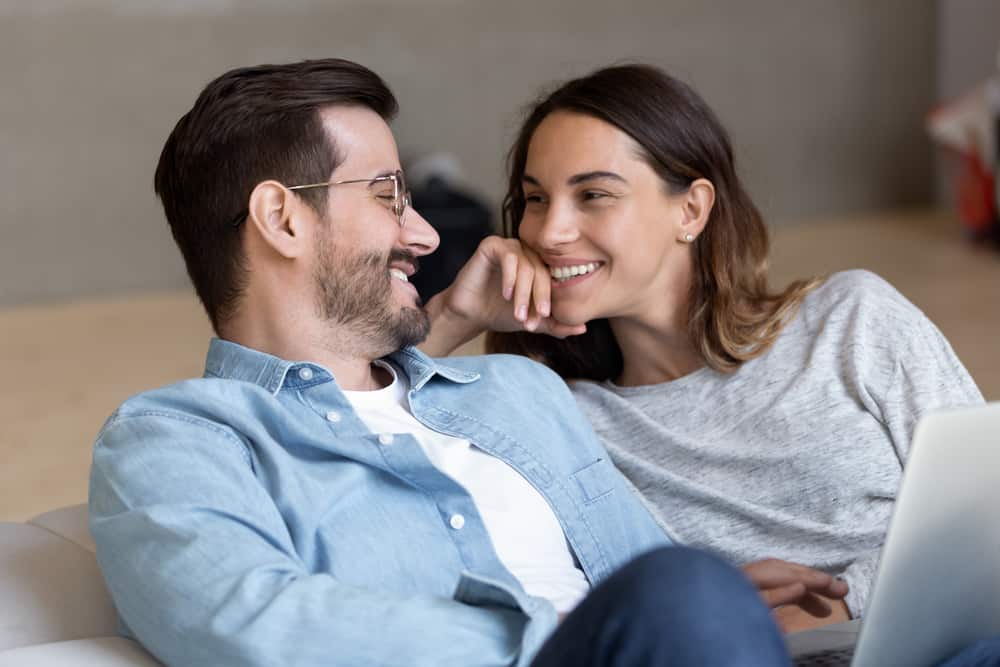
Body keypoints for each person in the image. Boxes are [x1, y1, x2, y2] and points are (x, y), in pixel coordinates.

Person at [87, 58, 844, 667]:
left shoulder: (518, 390)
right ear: (283, 218)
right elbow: (258, 627)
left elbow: (646, 574)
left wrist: (717, 613)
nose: (421, 232)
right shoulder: (173, 440)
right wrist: (595, 628)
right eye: (388, 195)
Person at [422, 63, 987, 634]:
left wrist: (843, 606)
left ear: (691, 209)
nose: (547, 232)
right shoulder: (563, 421)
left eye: (592, 194)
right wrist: (451, 317)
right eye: (535, 199)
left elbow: (987, 511)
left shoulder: (852, 321)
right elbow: (347, 435)